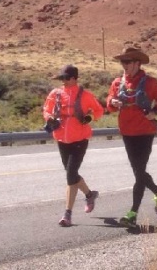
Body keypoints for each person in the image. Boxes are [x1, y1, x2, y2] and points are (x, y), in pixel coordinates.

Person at [106, 46, 157, 228]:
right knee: (138, 172)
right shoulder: (118, 82)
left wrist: (155, 111)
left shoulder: (150, 83)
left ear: (137, 63)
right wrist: (113, 101)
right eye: (122, 62)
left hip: (145, 132)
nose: (123, 65)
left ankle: (132, 213)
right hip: (127, 132)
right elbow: (109, 103)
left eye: (127, 62)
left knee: (139, 173)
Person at [42, 64, 104, 227]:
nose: (63, 81)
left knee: (70, 175)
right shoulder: (55, 94)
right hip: (62, 139)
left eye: (66, 78)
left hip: (80, 139)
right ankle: (90, 194)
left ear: (75, 79)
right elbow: (46, 110)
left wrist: (89, 118)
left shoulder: (85, 95)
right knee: (72, 174)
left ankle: (67, 215)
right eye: (61, 78)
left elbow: (98, 111)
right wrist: (49, 118)